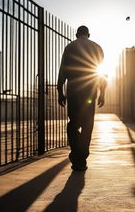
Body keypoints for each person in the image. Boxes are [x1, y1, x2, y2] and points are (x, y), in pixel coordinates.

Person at [57, 26, 107, 171]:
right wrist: (102, 91)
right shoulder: (97, 48)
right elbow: (101, 71)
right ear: (88, 34)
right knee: (87, 125)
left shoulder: (70, 47)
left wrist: (60, 90)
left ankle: (76, 155)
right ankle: (82, 156)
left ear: (77, 34)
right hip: (90, 90)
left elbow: (63, 70)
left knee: (73, 124)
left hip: (74, 90)